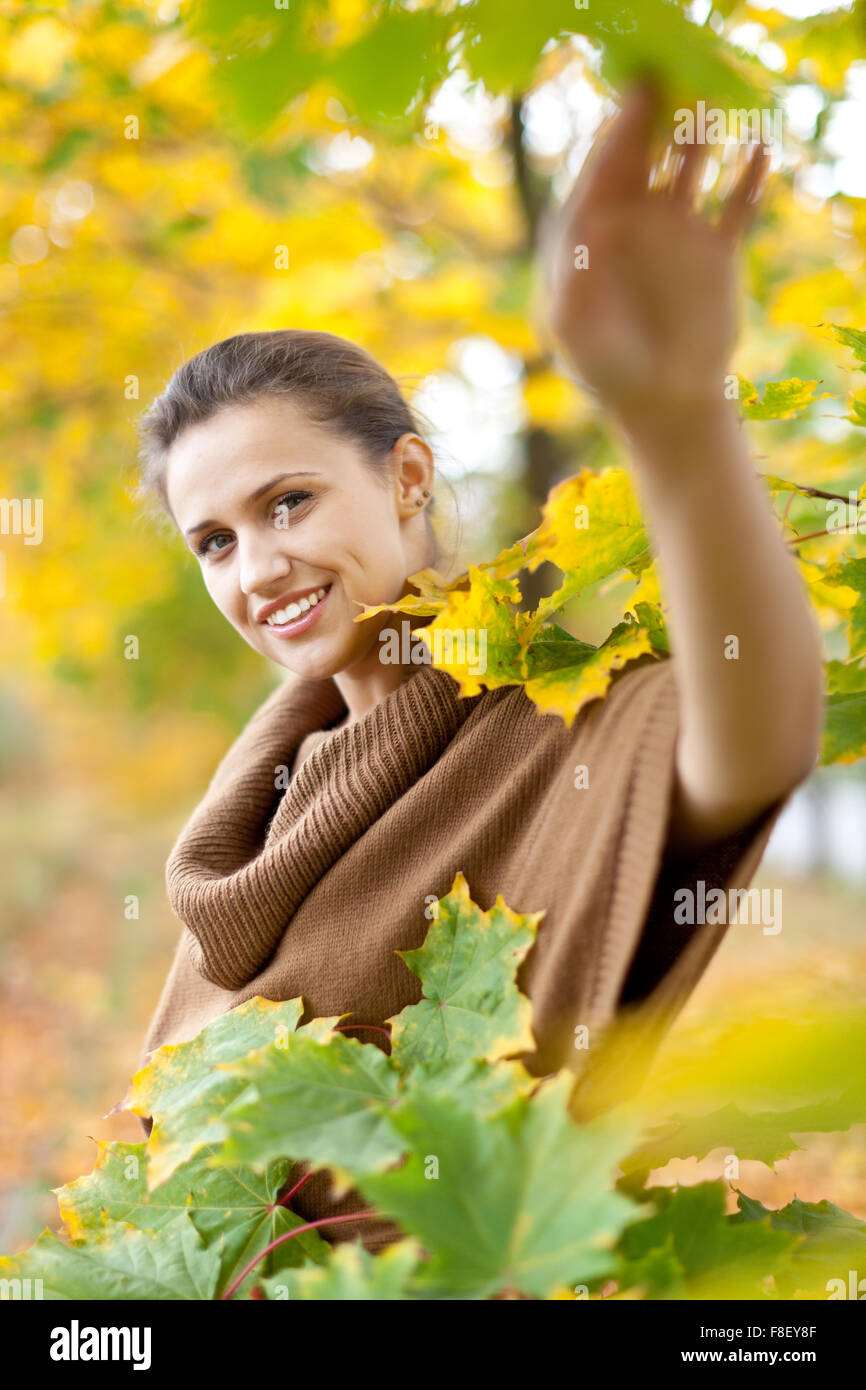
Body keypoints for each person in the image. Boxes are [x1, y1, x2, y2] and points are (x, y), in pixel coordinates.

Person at [130, 84, 824, 1252]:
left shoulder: (545, 732)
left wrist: (673, 421)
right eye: (215, 541)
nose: (258, 568)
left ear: (407, 479)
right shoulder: (256, 807)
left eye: (288, 501)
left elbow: (749, 739)